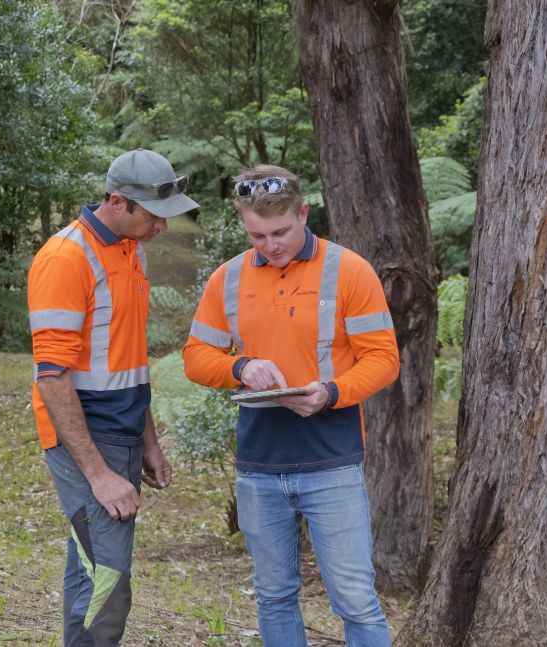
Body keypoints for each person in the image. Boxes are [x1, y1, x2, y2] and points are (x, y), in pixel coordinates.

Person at [182, 164, 399, 646]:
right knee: (274, 595)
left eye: (280, 231)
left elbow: (384, 359)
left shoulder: (349, 270)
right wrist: (240, 367)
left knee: (355, 598)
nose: (270, 244)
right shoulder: (229, 278)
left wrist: (331, 392)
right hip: (259, 466)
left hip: (332, 461)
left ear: (303, 213)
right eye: (256, 234)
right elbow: (196, 358)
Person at [28, 148, 198, 646]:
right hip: (84, 434)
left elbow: (130, 354)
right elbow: (51, 375)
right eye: (154, 216)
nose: (163, 228)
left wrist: (148, 441)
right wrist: (98, 475)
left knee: (92, 564)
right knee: (109, 577)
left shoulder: (131, 250)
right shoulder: (65, 258)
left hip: (123, 429)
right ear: (119, 202)